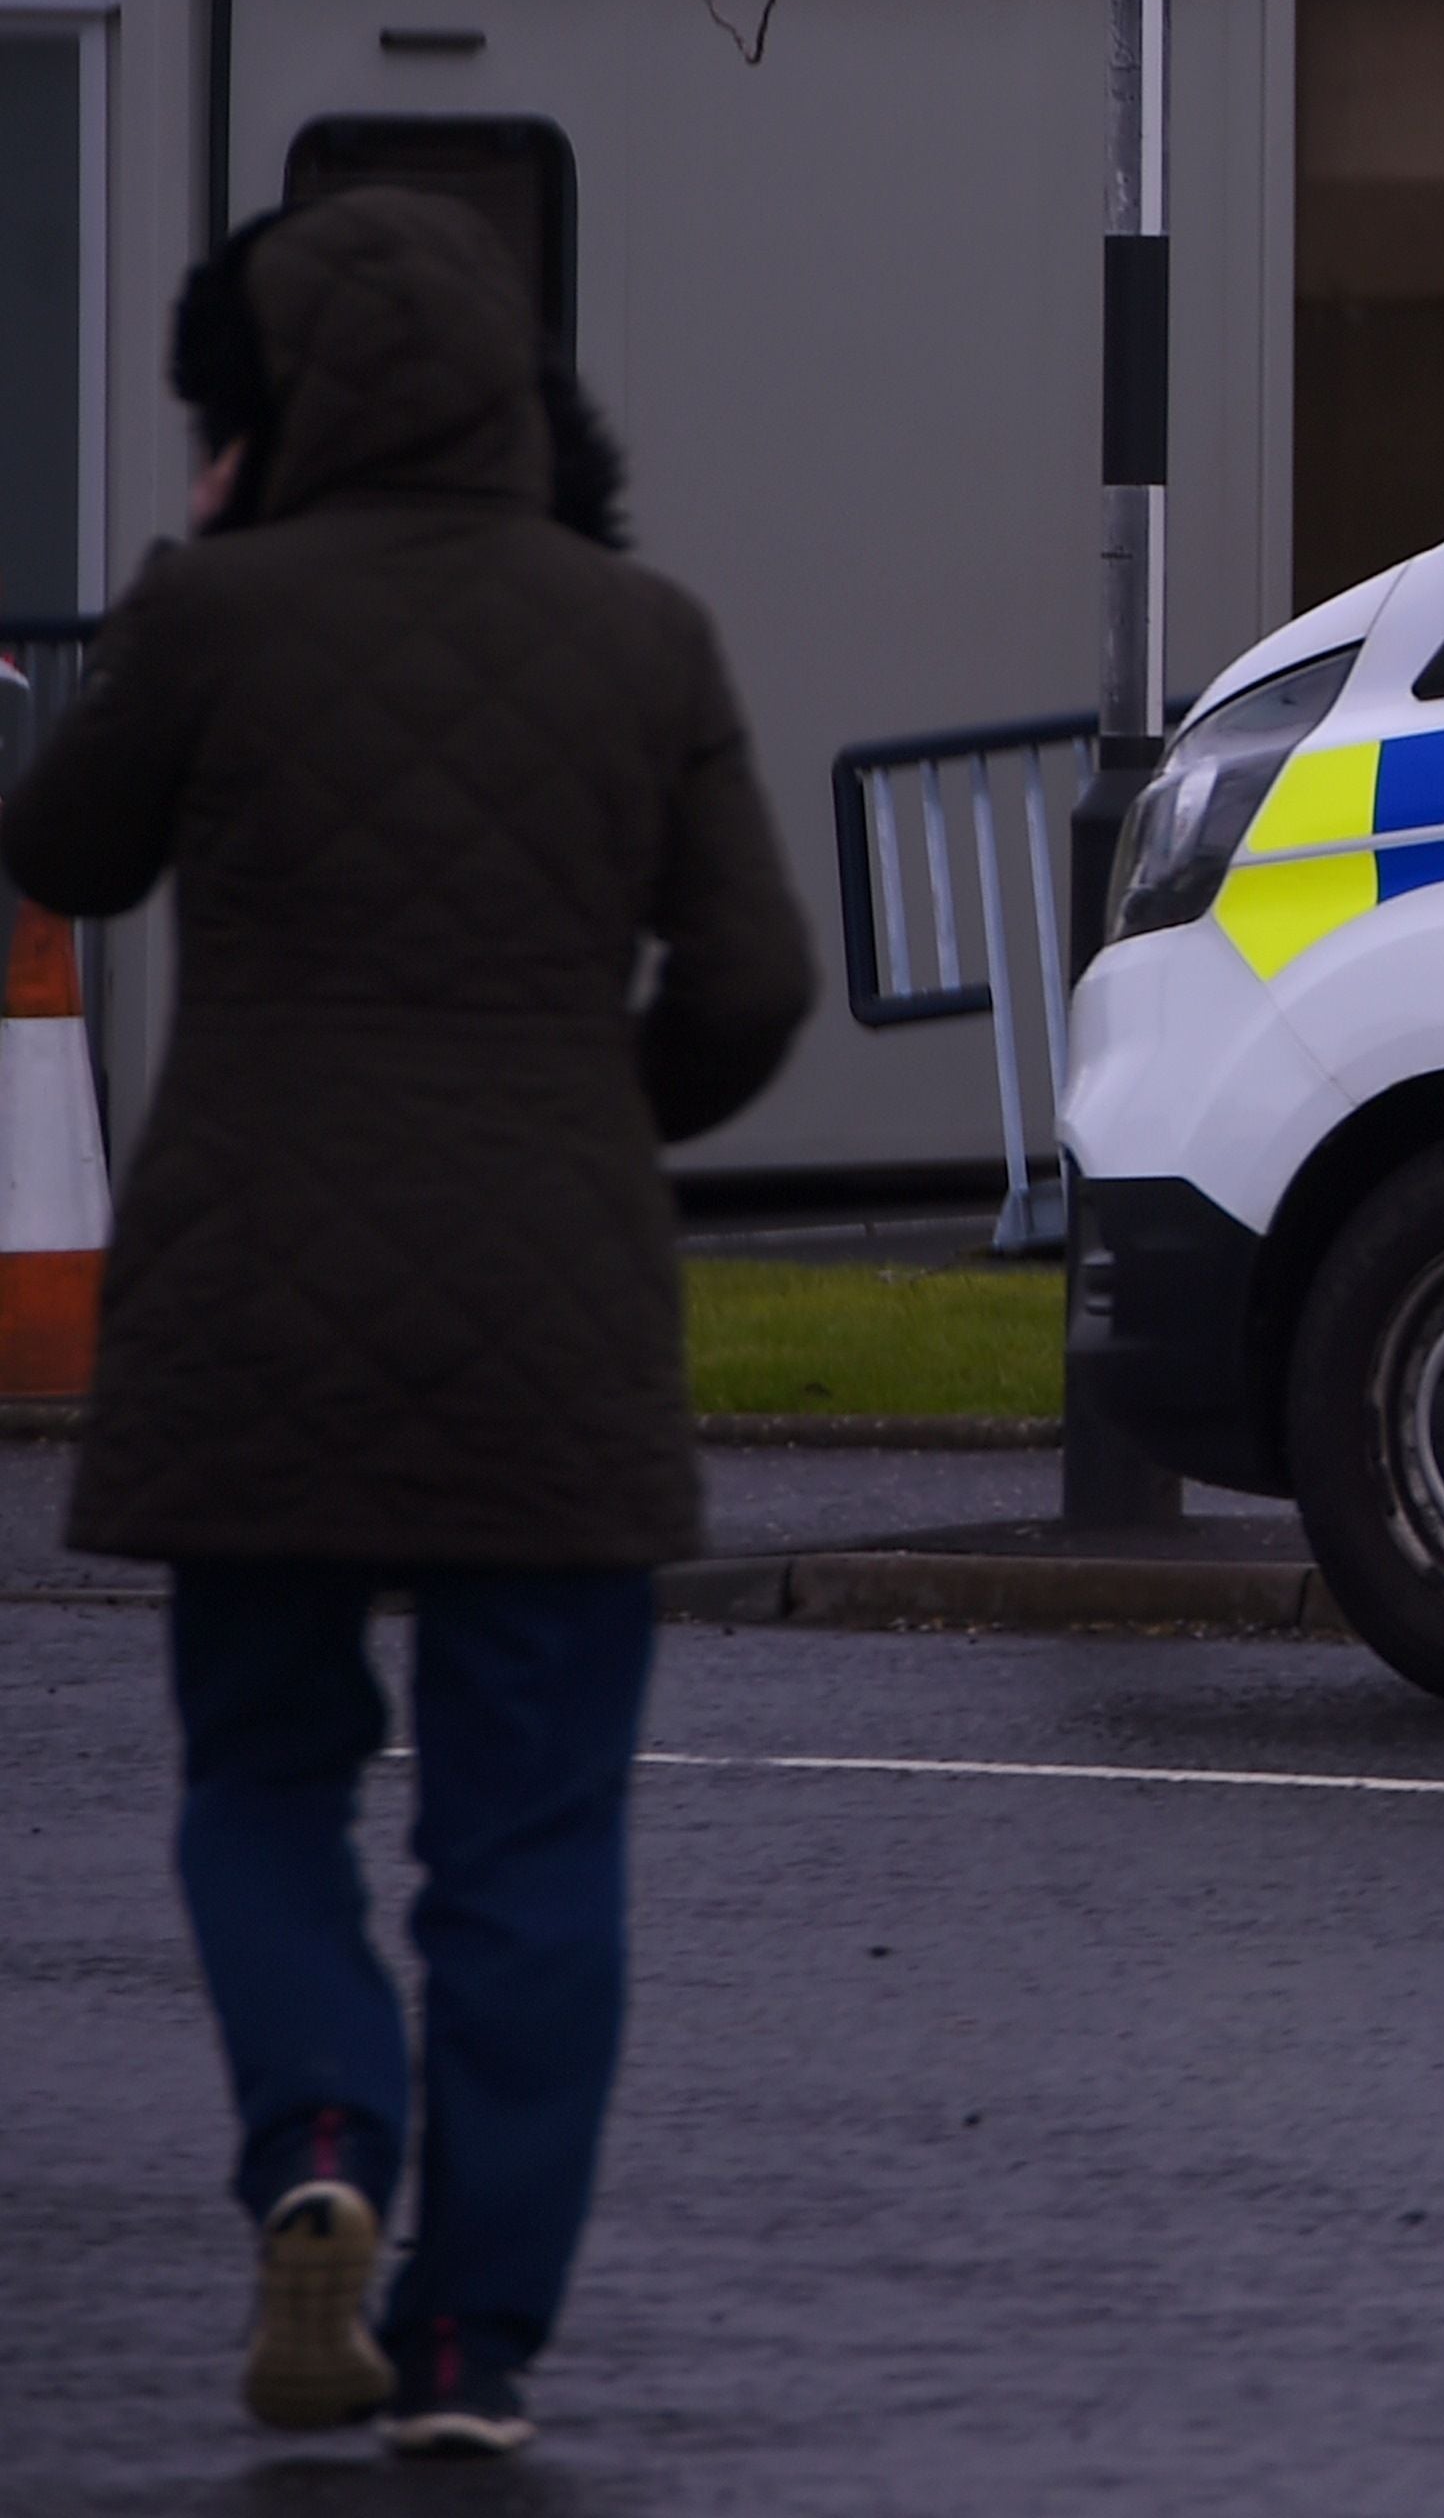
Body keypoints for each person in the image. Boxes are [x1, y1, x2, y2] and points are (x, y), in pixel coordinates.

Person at [8, 188, 810, 2459]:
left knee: (260, 1772)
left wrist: (205, 555)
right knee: (528, 1841)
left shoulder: (216, 609)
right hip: (551, 1309)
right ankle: (473, 2350)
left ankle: (321, 2146)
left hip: (255, 1298)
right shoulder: (643, 630)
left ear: (261, 411)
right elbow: (753, 977)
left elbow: (61, 843)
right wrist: (594, 1117)